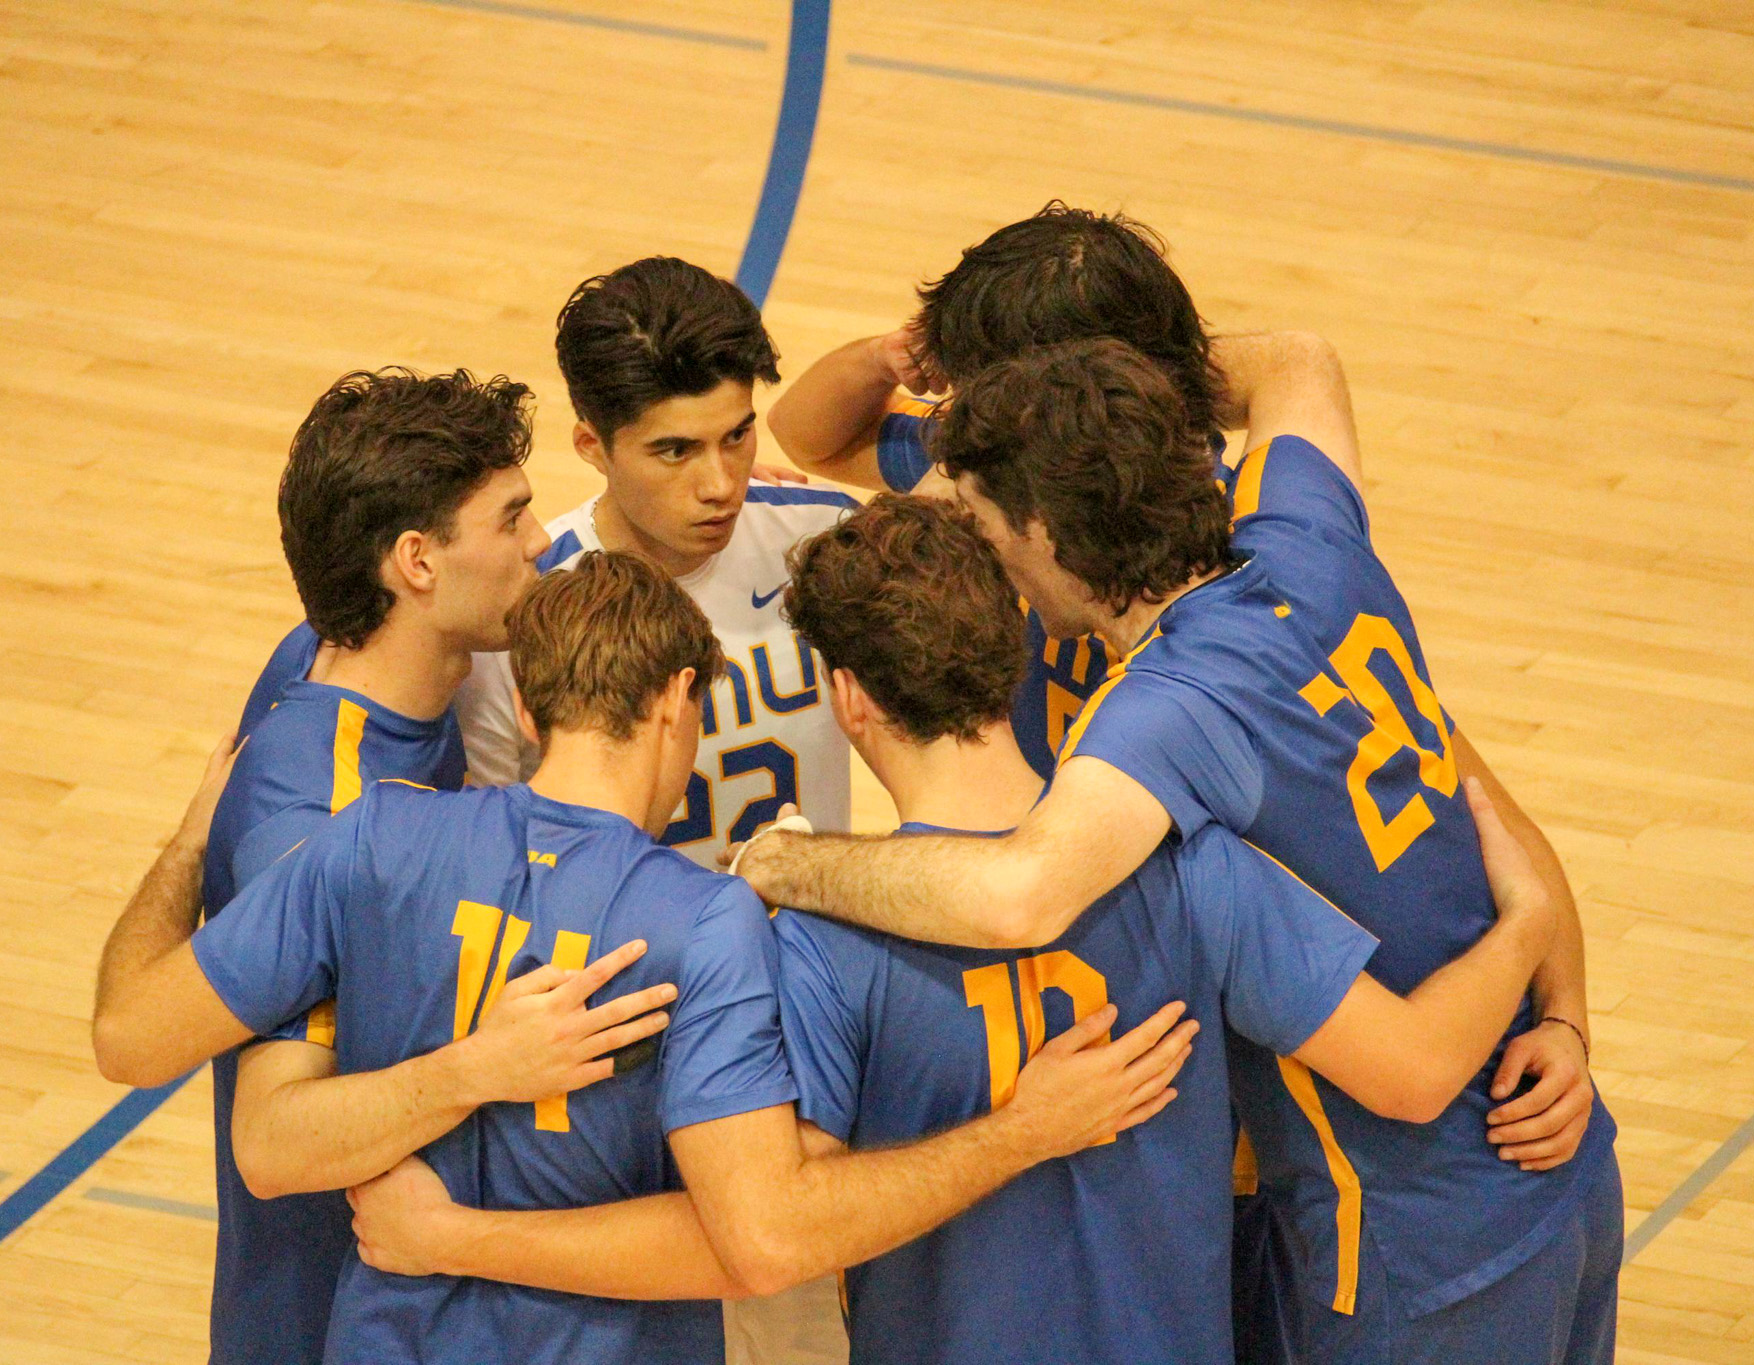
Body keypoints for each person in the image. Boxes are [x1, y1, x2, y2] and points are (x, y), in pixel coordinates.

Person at [346, 495, 1560, 1365]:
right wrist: (1526, 935)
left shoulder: (809, 939)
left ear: (849, 699)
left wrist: (1011, 1135)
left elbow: (775, 1234)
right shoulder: (1194, 869)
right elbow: (1411, 1072)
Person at [735, 343, 1622, 1364]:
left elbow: (1018, 897)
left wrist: (789, 869)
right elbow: (1300, 363)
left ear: (1044, 530)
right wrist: (1548, 983)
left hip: (1412, 1244)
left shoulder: (1160, 716)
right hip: (1554, 1157)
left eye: (985, 526)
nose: (995, 561)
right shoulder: (1306, 540)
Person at [108, 551, 1194, 1365]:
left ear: (528, 707)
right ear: (677, 700)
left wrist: (197, 837)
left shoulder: (375, 837)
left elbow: (147, 1052)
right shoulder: (707, 923)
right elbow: (753, 1241)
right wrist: (481, 1090)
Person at [93, 368, 670, 1365]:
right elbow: (139, 1046)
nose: (541, 543)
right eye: (511, 518)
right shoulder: (324, 825)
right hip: (336, 1314)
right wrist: (480, 1069)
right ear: (416, 562)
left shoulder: (315, 655)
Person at [765, 202, 1231, 777]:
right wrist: (880, 359)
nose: (967, 408)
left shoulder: (1226, 534)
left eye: (980, 388)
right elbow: (808, 436)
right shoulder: (1007, 462)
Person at [462, 257, 860, 868]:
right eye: (676, 451)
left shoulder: (824, 536)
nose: (721, 485)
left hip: (813, 947)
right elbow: (492, 849)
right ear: (592, 446)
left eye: (736, 437)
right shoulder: (520, 610)